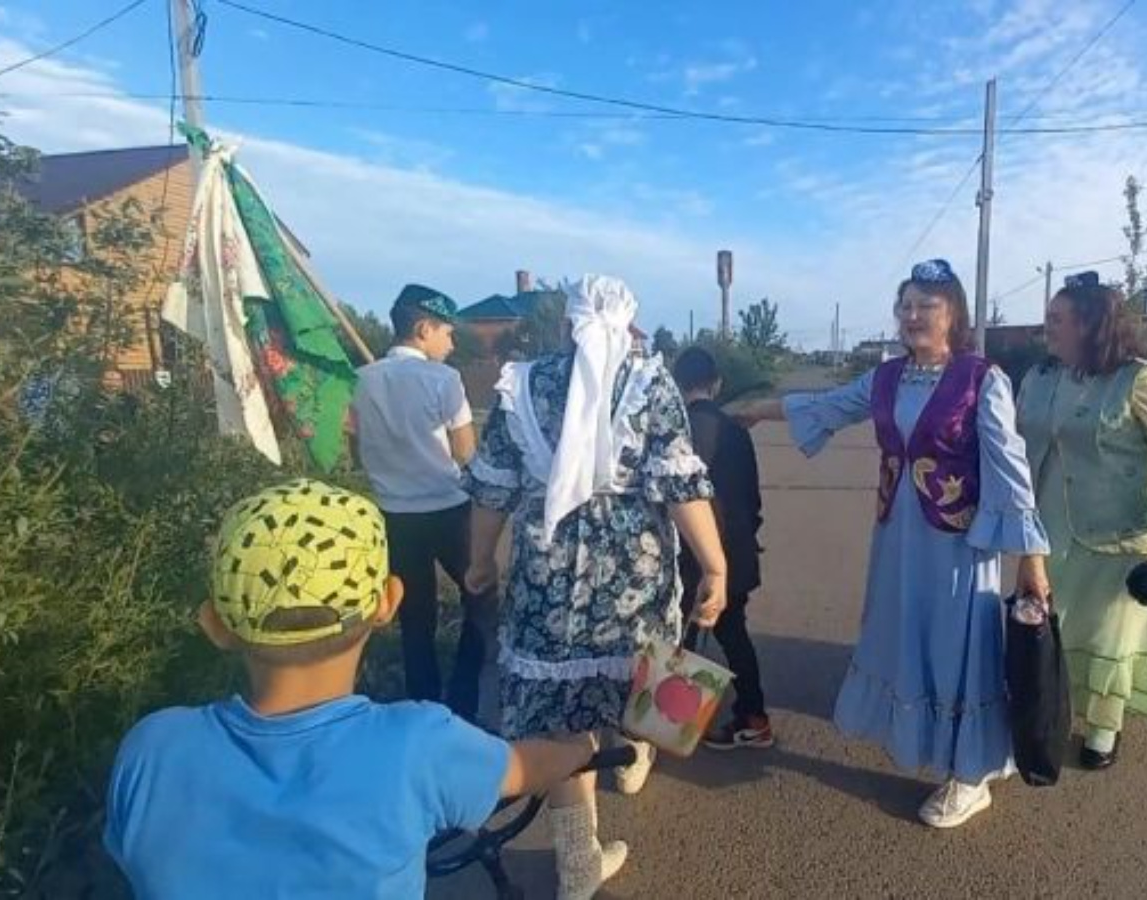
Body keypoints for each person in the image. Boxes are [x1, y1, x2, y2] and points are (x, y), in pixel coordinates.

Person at [103, 479, 594, 899]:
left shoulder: (150, 751)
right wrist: (577, 749)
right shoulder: (418, 745)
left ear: (215, 624)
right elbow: (524, 769)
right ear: (387, 603)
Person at [732, 259, 1051, 829]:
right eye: (905, 305)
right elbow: (826, 405)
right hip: (897, 537)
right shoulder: (887, 378)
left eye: (925, 305)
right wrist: (753, 410)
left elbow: (1011, 467)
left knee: (958, 647)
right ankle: (941, 750)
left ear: (953, 313)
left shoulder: (981, 379)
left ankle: (970, 777)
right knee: (909, 637)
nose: (911, 315)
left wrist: (1031, 558)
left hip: (958, 544)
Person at [464, 275, 728, 900]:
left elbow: (493, 486)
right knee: (642, 678)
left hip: (547, 572)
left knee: (562, 719)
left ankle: (578, 864)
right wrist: (714, 566)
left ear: (566, 325)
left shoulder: (522, 384)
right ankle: (636, 755)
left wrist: (480, 560)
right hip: (631, 575)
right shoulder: (647, 380)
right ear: (628, 324)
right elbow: (680, 485)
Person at [1016, 272, 1147, 770]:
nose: (1048, 328)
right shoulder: (1040, 377)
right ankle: (1052, 711)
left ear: (1090, 324)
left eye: (1057, 319)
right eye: (1048, 318)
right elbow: (1014, 445)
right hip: (1048, 530)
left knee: (1108, 634)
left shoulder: (1140, 380)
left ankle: (1103, 731)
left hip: (1119, 535)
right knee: (1056, 627)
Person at [349, 284, 492, 718]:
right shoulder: (443, 380)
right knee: (482, 599)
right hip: (449, 510)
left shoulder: (360, 379)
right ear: (423, 328)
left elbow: (356, 450)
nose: (450, 343)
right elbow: (466, 452)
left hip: (394, 515)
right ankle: (466, 697)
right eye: (446, 333)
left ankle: (424, 707)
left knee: (415, 618)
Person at [672, 346, 772, 751]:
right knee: (732, 633)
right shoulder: (736, 429)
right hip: (736, 548)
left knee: (679, 638)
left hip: (690, 552)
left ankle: (670, 722)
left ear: (678, 386)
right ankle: (753, 717)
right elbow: (752, 495)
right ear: (716, 383)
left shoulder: (675, 431)